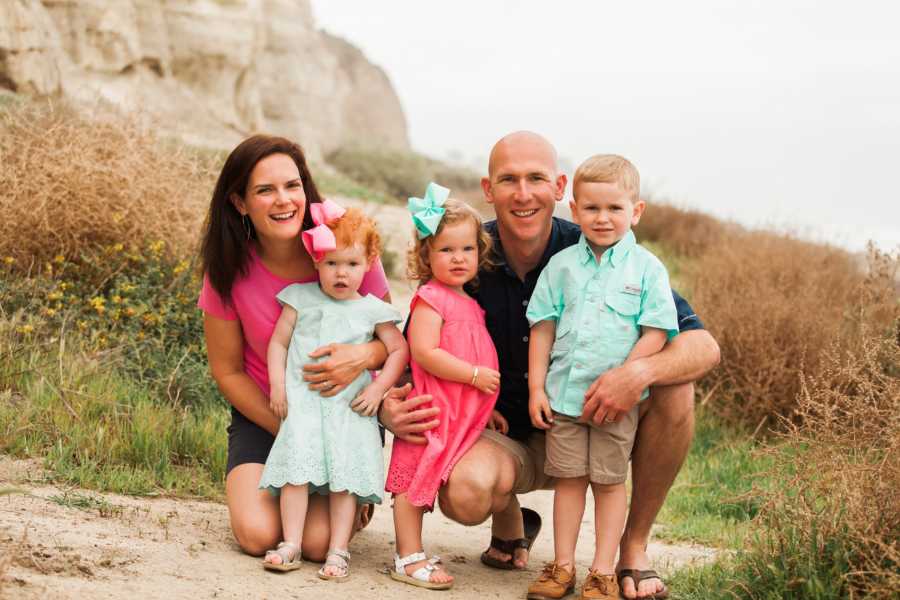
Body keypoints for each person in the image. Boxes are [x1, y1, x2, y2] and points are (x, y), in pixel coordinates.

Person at [380, 131, 720, 600]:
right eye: (509, 180)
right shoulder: (463, 252)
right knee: (465, 493)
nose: (523, 193)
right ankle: (512, 518)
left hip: (594, 421)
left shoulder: (607, 253)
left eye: (536, 178)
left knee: (676, 382)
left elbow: (704, 348)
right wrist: (384, 405)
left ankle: (632, 550)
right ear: (488, 188)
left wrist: (636, 374)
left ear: (560, 188)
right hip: (502, 436)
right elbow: (406, 345)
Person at [198, 135, 394, 562]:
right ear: (239, 202)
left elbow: (389, 341)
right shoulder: (228, 271)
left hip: (344, 416)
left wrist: (363, 357)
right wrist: (293, 429)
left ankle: (350, 499)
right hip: (272, 413)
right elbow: (228, 371)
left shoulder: (348, 250)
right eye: (264, 190)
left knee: (319, 545)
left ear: (306, 189)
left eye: (292, 185)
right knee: (257, 534)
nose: (283, 200)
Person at [525, 155, 677, 599]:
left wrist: (627, 378)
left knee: (609, 484)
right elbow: (543, 328)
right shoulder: (562, 266)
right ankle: (562, 567)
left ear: (637, 211)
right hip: (565, 398)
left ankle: (603, 571)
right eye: (591, 208)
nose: (603, 218)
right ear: (574, 211)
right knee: (569, 482)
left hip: (616, 405)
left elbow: (656, 331)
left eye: (614, 208)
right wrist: (537, 387)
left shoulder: (647, 268)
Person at [258, 205, 408, 578]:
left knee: (345, 480)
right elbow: (278, 343)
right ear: (316, 260)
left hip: (348, 411)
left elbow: (399, 350)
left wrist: (379, 391)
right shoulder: (300, 298)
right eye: (331, 264)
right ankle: (290, 542)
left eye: (352, 264)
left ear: (370, 262)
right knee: (296, 472)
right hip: (303, 407)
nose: (341, 273)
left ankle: (338, 550)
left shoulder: (372, 310)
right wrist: (278, 383)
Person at [384, 184, 501, 590]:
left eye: (467, 249)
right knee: (413, 481)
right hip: (431, 408)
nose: (458, 258)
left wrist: (487, 403)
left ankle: (417, 552)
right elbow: (426, 352)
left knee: (428, 477)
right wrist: (472, 376)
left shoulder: (469, 302)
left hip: (459, 410)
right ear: (426, 256)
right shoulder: (431, 298)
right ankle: (408, 556)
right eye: (446, 250)